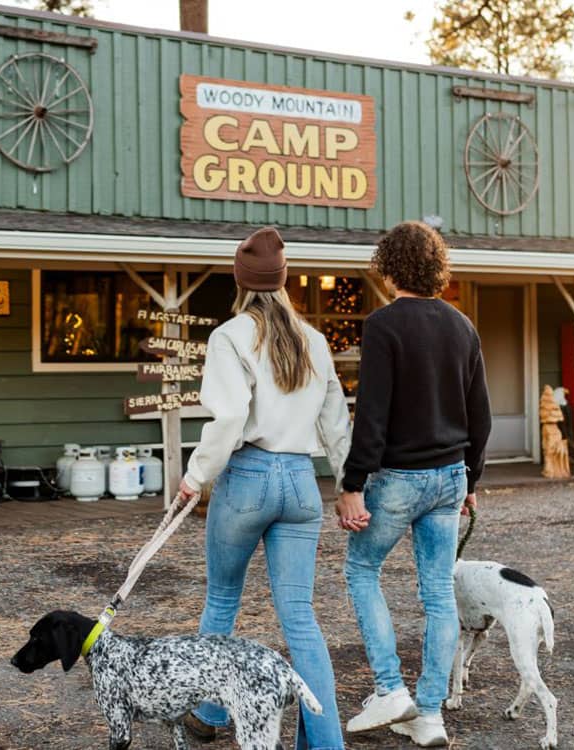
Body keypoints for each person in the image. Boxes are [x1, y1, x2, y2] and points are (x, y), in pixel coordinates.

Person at [176, 226, 350, 750]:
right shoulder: (315, 341)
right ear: (284, 279)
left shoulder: (231, 336)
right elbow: (338, 424)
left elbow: (229, 419)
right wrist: (348, 484)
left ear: (241, 281)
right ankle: (328, 743)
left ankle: (207, 714)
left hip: (248, 478)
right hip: (300, 482)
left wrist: (195, 476)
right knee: (300, 616)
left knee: (223, 598)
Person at [337, 221, 491, 748]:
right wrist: (472, 477)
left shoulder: (382, 326)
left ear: (388, 267)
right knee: (438, 595)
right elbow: (481, 415)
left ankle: (389, 690)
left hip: (400, 478)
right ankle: (428, 714)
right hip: (450, 477)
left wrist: (352, 483)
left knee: (361, 568)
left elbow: (371, 416)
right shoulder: (462, 326)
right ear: (435, 267)